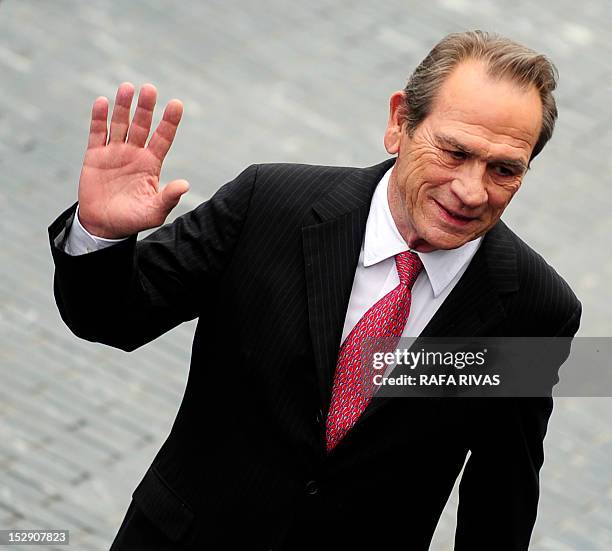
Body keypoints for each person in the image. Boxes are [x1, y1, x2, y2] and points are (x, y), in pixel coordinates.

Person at [48, 31, 581, 550]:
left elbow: (501, 495)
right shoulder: (269, 204)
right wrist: (103, 234)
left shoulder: (536, 309)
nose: (470, 191)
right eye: (454, 152)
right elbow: (109, 318)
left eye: (504, 170)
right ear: (399, 123)